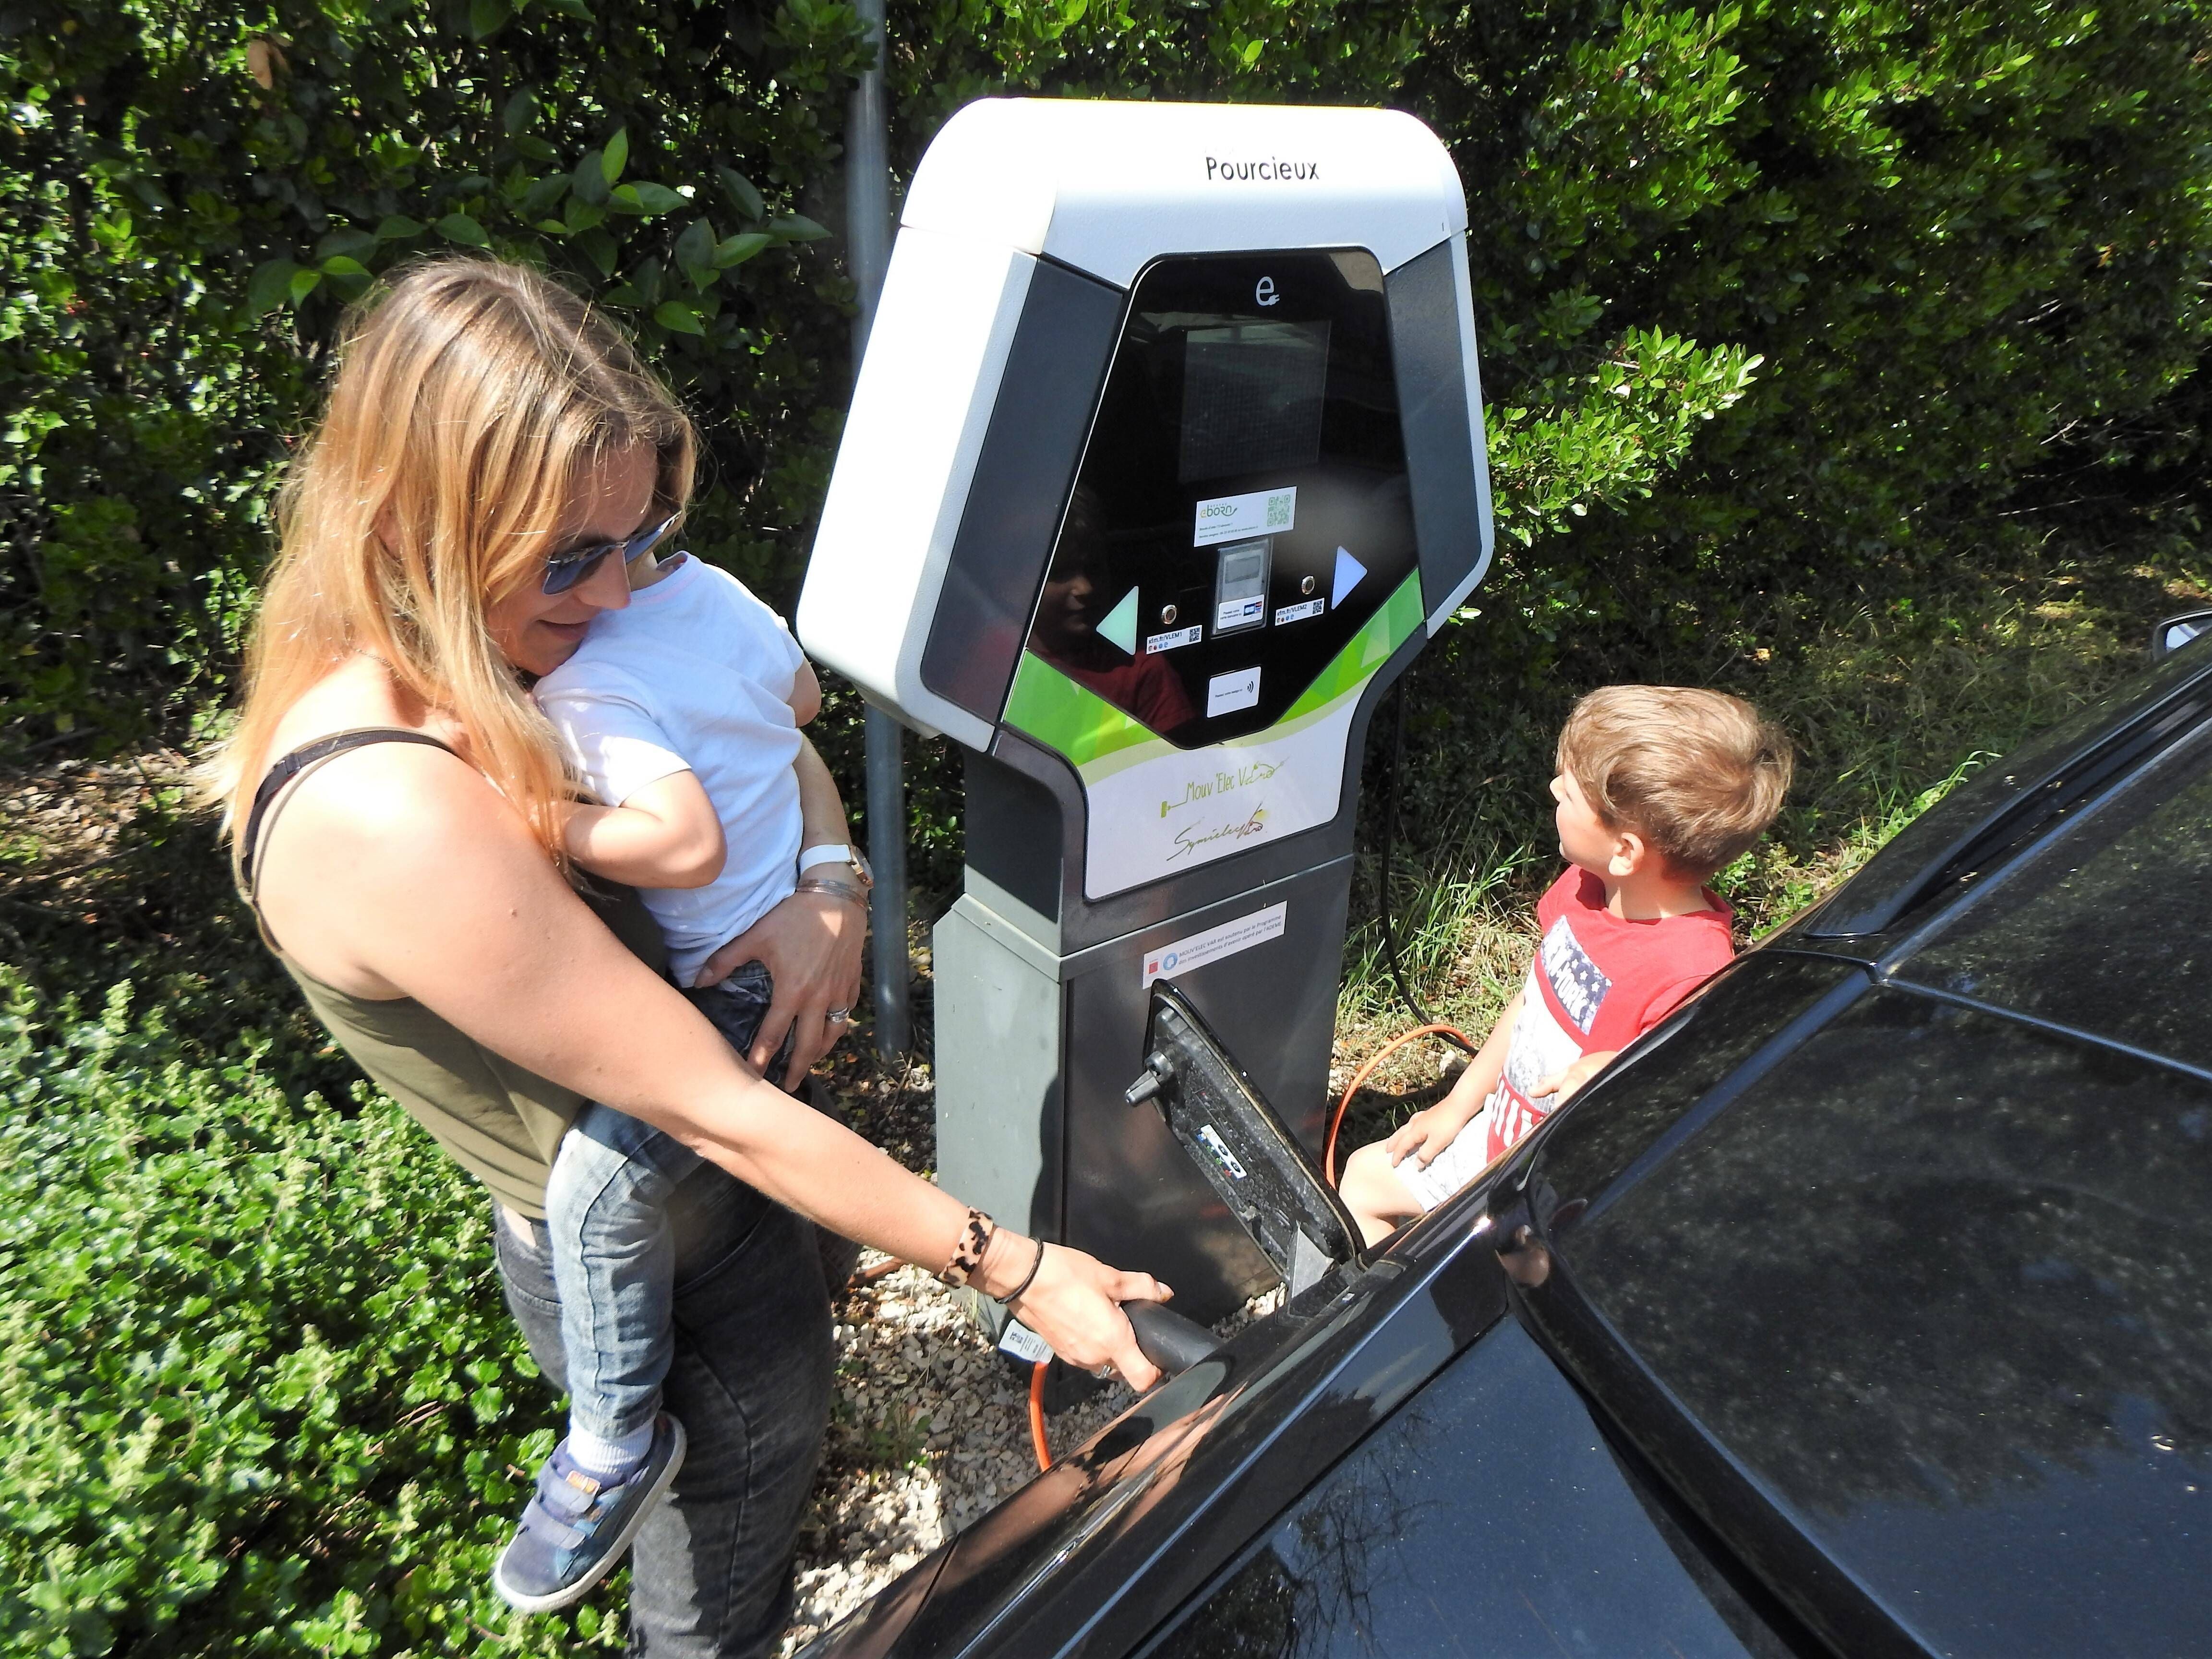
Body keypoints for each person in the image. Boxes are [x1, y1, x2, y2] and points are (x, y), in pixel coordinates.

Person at [205, 256, 1171, 1657]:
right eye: (566, 556)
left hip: (728, 1188)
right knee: (720, 1583)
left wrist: (828, 892)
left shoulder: (490, 645)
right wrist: (1018, 1269)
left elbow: (763, 741)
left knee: (763, 1507)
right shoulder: (392, 804)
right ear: (413, 520)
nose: (616, 596)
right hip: (663, 1255)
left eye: (642, 538)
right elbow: (714, 1107)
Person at [493, 519, 862, 1611]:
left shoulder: (584, 684)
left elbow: (682, 845)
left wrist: (541, 816)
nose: (596, 589)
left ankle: (610, 1437)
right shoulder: (715, 589)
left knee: (599, 1190)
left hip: (723, 980)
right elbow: (798, 704)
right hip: (767, 937)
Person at [1340, 685, 1791, 1245]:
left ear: (1626, 851)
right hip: (1496, 1136)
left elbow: (1681, 1114)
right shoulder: (1589, 888)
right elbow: (1536, 997)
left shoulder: (1692, 974)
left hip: (1546, 1190)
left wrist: (1620, 1080)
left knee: (1495, 1271)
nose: (1554, 788)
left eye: (1570, 794)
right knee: (1365, 1176)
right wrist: (1458, 1105)